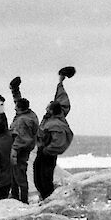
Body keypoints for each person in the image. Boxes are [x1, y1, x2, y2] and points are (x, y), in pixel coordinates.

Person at [34, 68, 75, 200]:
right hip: (44, 151)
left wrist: (47, 150)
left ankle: (47, 199)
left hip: (47, 153)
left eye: (48, 108)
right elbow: (61, 99)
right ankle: (45, 197)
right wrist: (60, 82)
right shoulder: (57, 114)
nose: (46, 109)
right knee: (38, 176)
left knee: (44, 178)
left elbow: (58, 142)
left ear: (52, 111)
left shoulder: (56, 124)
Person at [8, 77, 40, 204]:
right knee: (17, 174)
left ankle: (22, 199)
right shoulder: (29, 114)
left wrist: (14, 151)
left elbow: (21, 139)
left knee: (19, 175)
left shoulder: (22, 121)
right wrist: (15, 91)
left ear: (20, 109)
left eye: (16, 107)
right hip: (26, 148)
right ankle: (18, 197)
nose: (14, 108)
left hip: (20, 150)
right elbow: (19, 101)